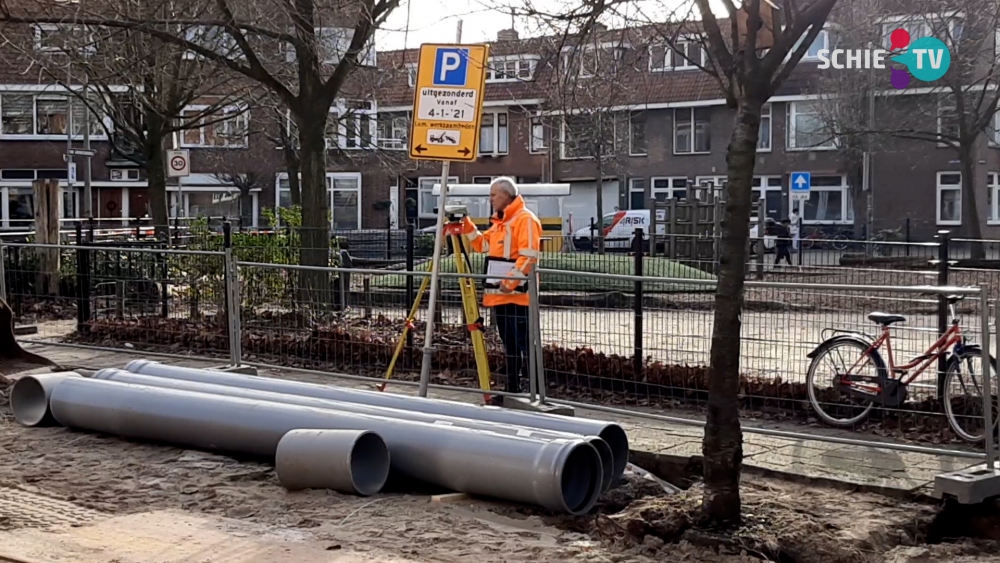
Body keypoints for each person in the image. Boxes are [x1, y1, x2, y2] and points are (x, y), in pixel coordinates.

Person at [459, 177, 542, 406]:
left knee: (524, 342)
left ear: (505, 195)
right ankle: (513, 387)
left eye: (493, 195)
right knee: (510, 343)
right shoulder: (500, 222)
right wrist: (467, 226)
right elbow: (483, 245)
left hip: (519, 295)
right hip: (502, 294)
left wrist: (510, 281)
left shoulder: (525, 220)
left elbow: (529, 256)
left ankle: (534, 391)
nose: (491, 199)